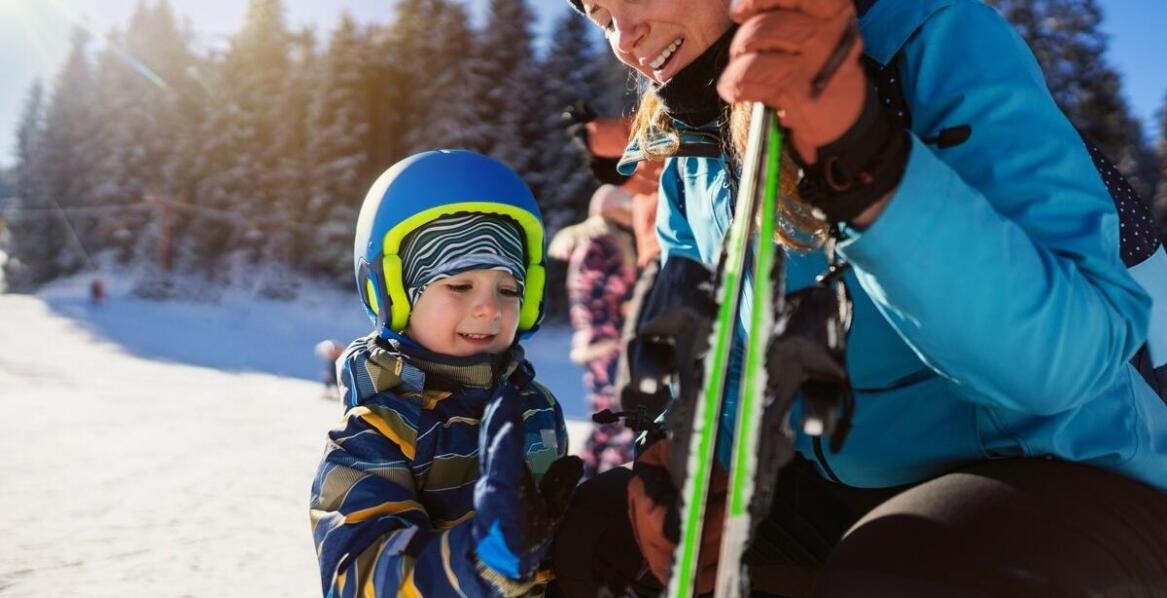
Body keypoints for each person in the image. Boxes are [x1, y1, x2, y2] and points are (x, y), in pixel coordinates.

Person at [555, 0, 1167, 596]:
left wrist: (869, 166)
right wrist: (684, 460)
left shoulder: (933, 40)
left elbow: (1071, 363)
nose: (623, 38)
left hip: (1062, 474)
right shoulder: (694, 154)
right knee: (597, 536)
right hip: (841, 482)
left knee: (902, 571)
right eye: (601, 17)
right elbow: (718, 356)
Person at [309, 150, 583, 597]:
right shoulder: (375, 434)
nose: (490, 307)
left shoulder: (536, 409)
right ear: (391, 292)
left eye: (509, 288)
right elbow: (359, 577)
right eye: (458, 284)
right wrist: (479, 561)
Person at [549, 183, 639, 478]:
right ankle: (613, 483)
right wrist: (635, 300)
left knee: (607, 422)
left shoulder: (595, 242)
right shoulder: (602, 243)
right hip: (609, 342)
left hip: (599, 341)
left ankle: (582, 483)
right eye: (626, 211)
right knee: (624, 420)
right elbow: (608, 289)